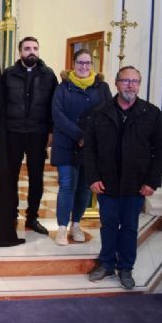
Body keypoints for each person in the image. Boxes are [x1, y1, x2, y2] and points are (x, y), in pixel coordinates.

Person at [84, 66, 162, 289]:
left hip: (136, 182)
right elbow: (89, 148)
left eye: (135, 81)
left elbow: (161, 150)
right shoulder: (100, 112)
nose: (130, 85)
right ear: (116, 83)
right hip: (107, 181)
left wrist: (152, 181)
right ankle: (106, 264)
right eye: (126, 81)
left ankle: (125, 268)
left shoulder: (151, 113)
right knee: (109, 225)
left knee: (130, 226)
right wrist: (93, 177)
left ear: (139, 85)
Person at [51, 49, 112, 245]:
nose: (84, 66)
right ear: (73, 64)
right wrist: (79, 135)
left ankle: (76, 224)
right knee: (67, 186)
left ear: (92, 65)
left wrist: (91, 138)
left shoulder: (101, 87)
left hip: (91, 147)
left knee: (85, 188)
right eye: (80, 62)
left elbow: (108, 113)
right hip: (67, 144)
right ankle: (62, 228)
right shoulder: (63, 87)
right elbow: (57, 115)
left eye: (87, 63)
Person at [2, 36, 58, 235]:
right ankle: (11, 215)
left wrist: (51, 131)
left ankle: (32, 217)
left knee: (36, 177)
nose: (31, 51)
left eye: (35, 48)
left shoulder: (48, 75)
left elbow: (54, 106)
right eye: (27, 48)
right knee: (11, 176)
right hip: (13, 132)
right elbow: (0, 103)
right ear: (20, 52)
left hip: (38, 133)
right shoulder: (8, 74)